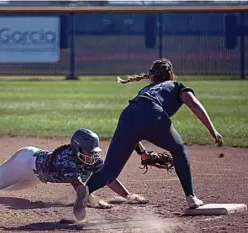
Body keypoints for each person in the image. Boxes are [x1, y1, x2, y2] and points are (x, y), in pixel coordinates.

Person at [76, 58, 223, 215]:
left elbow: (135, 127)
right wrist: (212, 130)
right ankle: (191, 198)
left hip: (128, 114)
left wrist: (143, 153)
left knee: (109, 171)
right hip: (153, 114)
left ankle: (85, 192)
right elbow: (192, 103)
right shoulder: (176, 85)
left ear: (152, 77)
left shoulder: (145, 90)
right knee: (178, 149)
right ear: (172, 75)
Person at [0, 128, 148, 221]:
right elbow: (79, 188)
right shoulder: (68, 159)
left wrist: (127, 195)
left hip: (36, 174)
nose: (92, 156)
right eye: (88, 152)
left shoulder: (88, 158)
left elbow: (107, 176)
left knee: (2, 181)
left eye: (94, 152)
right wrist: (95, 201)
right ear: (76, 148)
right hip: (26, 163)